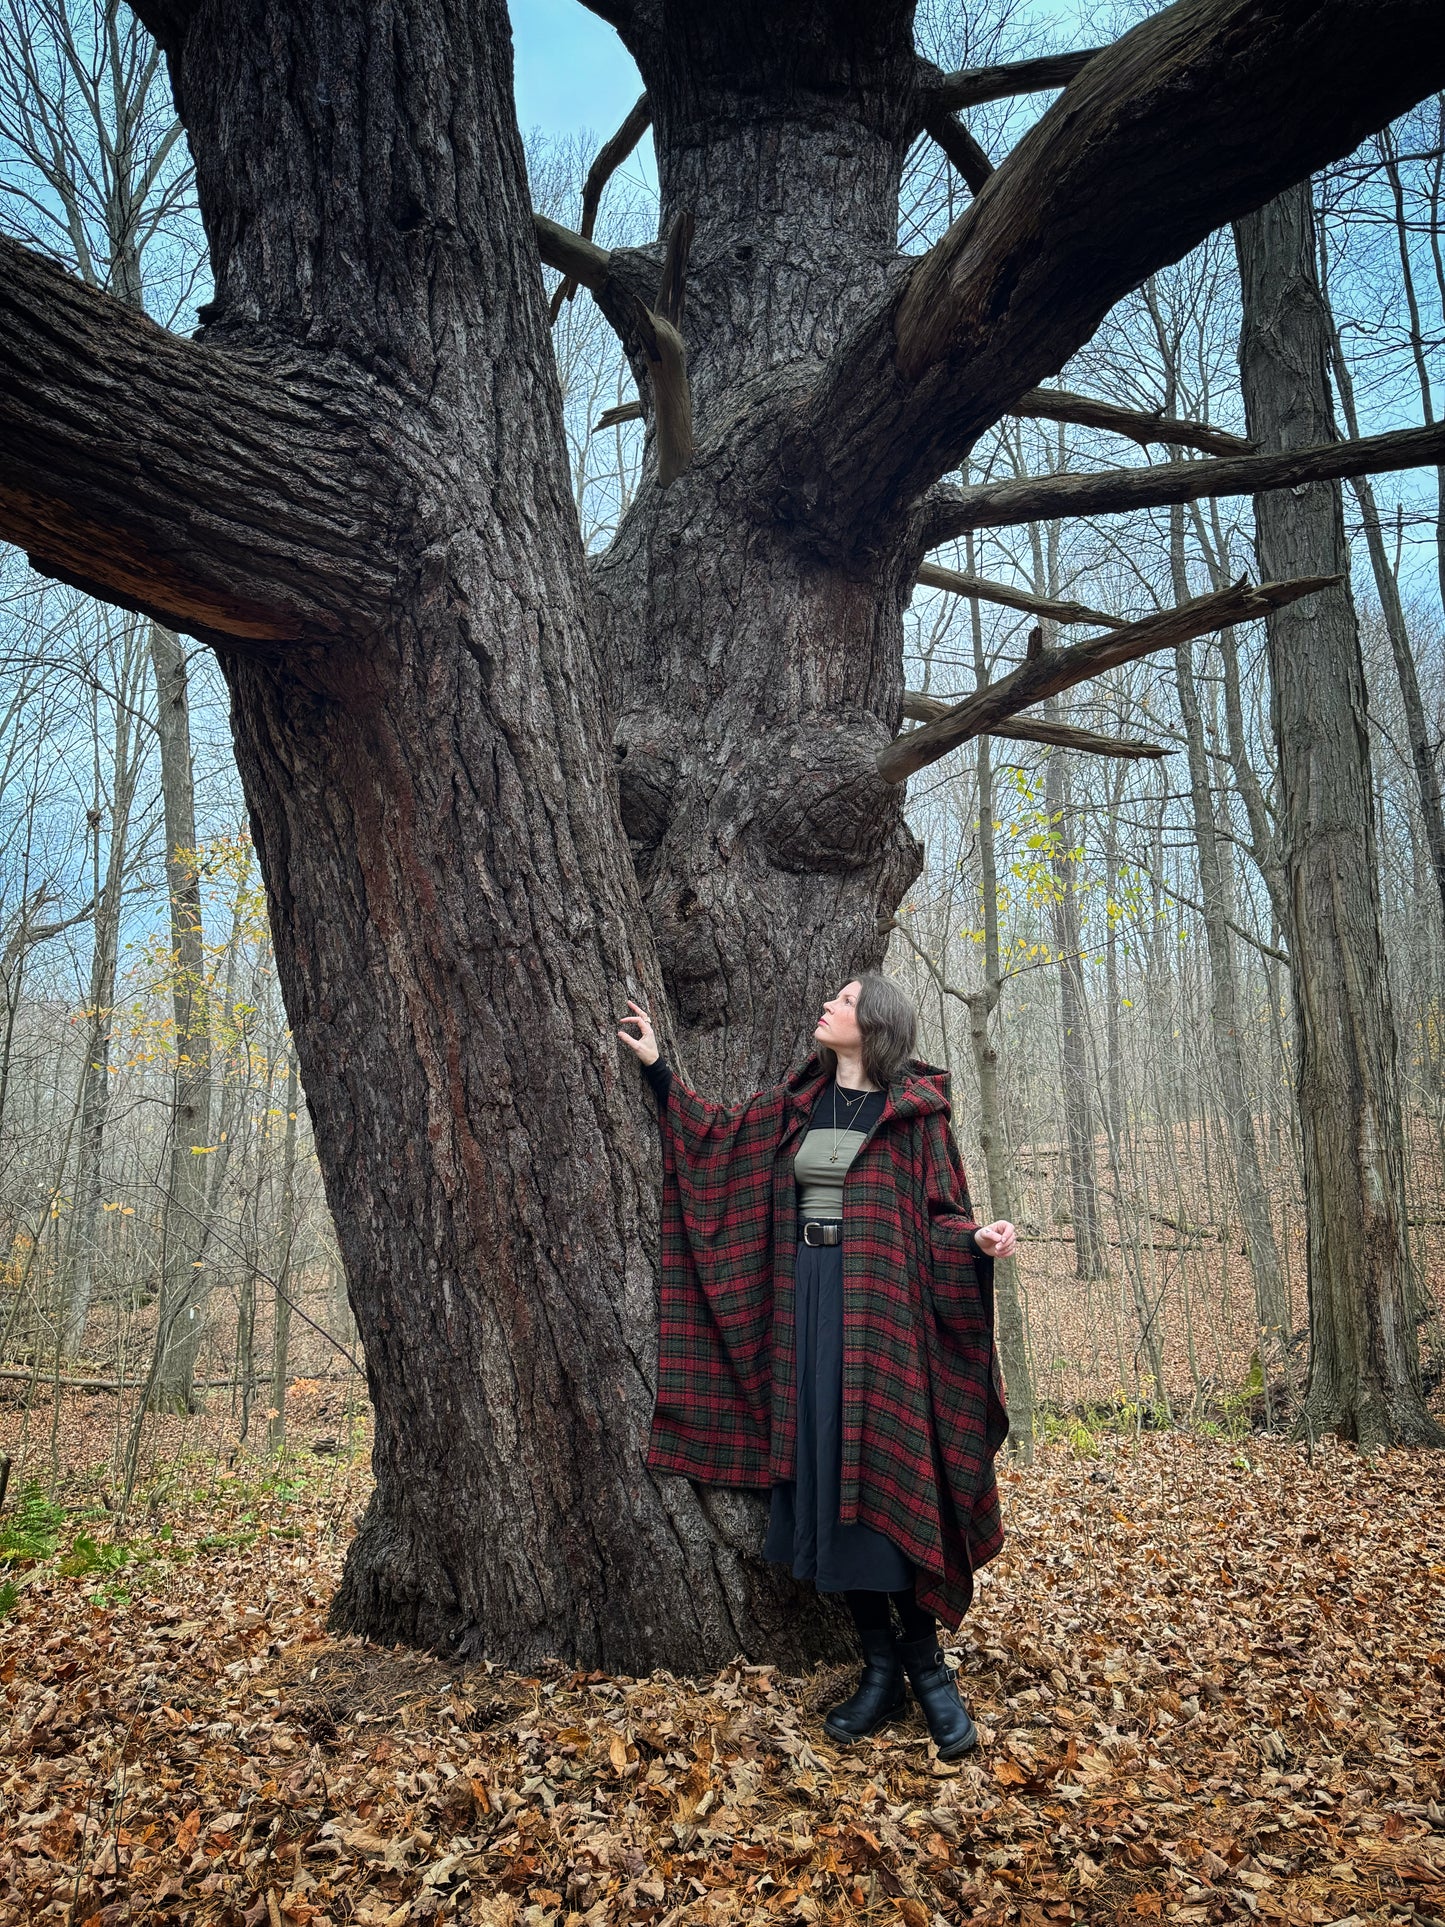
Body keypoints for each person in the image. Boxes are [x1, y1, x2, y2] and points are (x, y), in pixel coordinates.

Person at [617, 972, 1015, 1760]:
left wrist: (975, 1241)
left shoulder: (914, 1118)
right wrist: (659, 1069)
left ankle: (927, 1670)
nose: (826, 1004)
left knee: (886, 1482)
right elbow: (714, 1140)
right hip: (803, 1314)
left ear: (872, 1024)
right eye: (829, 994)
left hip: (883, 1324)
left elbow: (940, 1217)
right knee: (827, 1487)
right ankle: (878, 1669)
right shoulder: (793, 1106)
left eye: (841, 999)